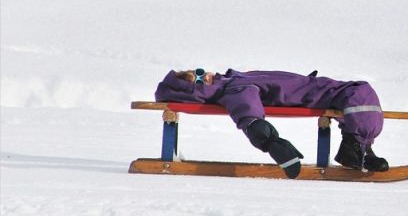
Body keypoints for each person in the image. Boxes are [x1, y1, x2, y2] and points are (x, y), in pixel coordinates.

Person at [154, 68, 389, 178]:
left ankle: (357, 147)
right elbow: (248, 111)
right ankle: (357, 150)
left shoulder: (233, 79)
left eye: (199, 70)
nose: (205, 74)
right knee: (361, 92)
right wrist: (270, 141)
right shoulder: (235, 88)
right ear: (198, 90)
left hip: (315, 88)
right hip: (315, 94)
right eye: (198, 78)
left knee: (358, 92)